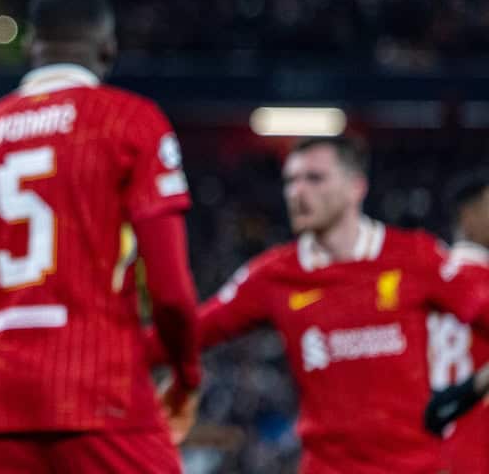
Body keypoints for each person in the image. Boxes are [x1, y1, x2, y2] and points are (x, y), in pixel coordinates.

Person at [0, 0, 202, 474]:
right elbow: (170, 293)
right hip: (101, 390)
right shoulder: (131, 122)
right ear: (108, 48)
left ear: (32, 46)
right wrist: (185, 373)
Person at [149, 138, 489, 474]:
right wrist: (117, 348)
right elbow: (192, 330)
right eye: (290, 181)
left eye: (314, 178)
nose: (297, 192)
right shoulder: (273, 275)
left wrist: (474, 386)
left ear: (356, 187)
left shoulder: (415, 257)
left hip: (414, 467)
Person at [424, 170, 489, 472]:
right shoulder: (478, 280)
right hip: (477, 442)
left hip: (433, 443)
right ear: (469, 215)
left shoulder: (425, 279)